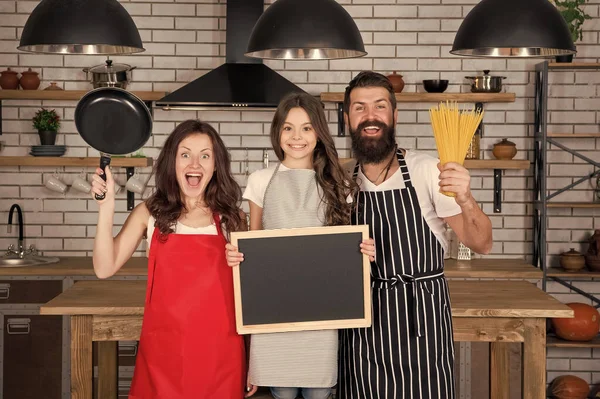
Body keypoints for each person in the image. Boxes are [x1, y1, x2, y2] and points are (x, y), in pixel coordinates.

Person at [337, 71, 493, 399]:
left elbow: (482, 242)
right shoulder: (342, 181)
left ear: (394, 115)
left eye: (379, 106)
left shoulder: (426, 171)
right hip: (363, 327)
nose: (370, 116)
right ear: (347, 117)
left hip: (421, 324)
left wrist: (465, 198)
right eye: (359, 108)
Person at [225, 92, 376, 399]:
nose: (297, 137)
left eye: (306, 128)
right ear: (277, 132)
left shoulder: (337, 182)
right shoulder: (260, 180)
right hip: (274, 314)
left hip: (321, 314)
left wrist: (362, 252)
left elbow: (343, 250)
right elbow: (253, 244)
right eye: (288, 128)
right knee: (281, 391)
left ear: (319, 133)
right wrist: (237, 255)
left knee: (319, 392)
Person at [91, 120, 247, 398]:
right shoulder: (149, 213)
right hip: (163, 357)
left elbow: (251, 294)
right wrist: (107, 207)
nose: (194, 164)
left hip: (221, 357)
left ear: (216, 165)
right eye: (185, 154)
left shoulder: (232, 220)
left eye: (205, 155)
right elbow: (104, 268)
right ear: (172, 162)